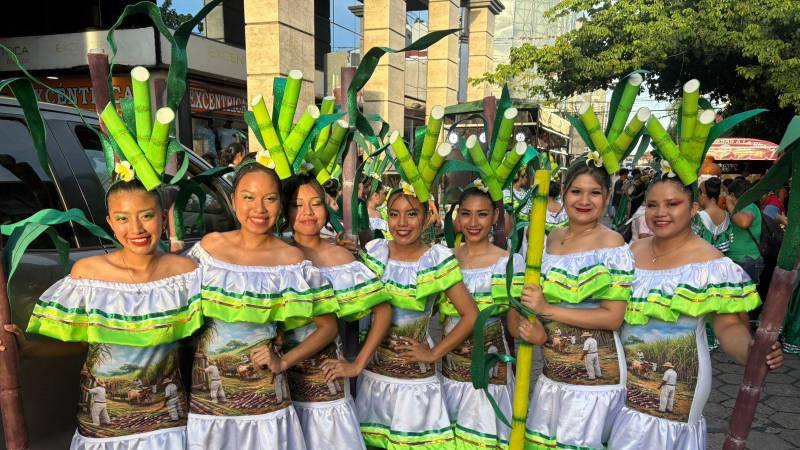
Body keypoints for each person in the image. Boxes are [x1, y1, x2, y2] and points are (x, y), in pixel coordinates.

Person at [9, 179, 201, 449]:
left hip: (167, 425)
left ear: (162, 216)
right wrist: (26, 347)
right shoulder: (88, 276)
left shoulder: (185, 273)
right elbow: (82, 346)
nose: (136, 229)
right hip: (105, 429)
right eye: (123, 218)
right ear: (110, 222)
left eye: (146, 216)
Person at [606, 171, 783, 450]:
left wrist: (753, 351)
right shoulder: (631, 251)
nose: (660, 212)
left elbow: (728, 328)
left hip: (679, 380)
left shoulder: (711, 264)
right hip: (622, 375)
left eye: (672, 204)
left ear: (693, 209)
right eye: (652, 205)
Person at [186, 156, 339, 450]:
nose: (259, 209)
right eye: (248, 197)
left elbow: (328, 327)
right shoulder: (209, 249)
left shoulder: (291, 260)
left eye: (270, 199)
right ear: (233, 200)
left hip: (267, 397)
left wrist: (283, 362)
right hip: (211, 403)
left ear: (280, 204)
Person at [519, 160, 633, 450]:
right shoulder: (552, 239)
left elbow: (612, 318)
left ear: (607, 197)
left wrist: (546, 309)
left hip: (592, 382)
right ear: (564, 194)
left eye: (594, 193)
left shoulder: (612, 243)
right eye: (576, 192)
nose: (584, 201)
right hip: (553, 370)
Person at [356, 184, 479, 449]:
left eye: (411, 214)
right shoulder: (375, 253)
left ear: (426, 219)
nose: (402, 223)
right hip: (374, 377)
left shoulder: (435, 260)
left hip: (414, 383)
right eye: (394, 214)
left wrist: (434, 353)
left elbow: (470, 315)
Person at [282, 175, 393, 450]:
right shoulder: (275, 254)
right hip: (278, 387)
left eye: (316, 203)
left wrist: (357, 364)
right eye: (298, 204)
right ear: (285, 211)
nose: (308, 213)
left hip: (326, 388)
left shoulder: (341, 258)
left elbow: (383, 310)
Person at [442, 185, 546, 448]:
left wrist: (530, 329)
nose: (473, 223)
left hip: (490, 374)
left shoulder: (508, 263)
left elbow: (512, 322)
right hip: (450, 372)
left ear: (495, 217)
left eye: (482, 214)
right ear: (457, 218)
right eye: (466, 214)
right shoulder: (444, 260)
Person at [725, 178, 764, 283]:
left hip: (747, 260)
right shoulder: (738, 208)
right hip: (738, 260)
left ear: (732, 195)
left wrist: (729, 204)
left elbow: (744, 223)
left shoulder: (750, 206)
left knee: (746, 297)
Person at [693, 177, 733, 253]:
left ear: (703, 195)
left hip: (703, 260)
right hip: (722, 261)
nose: (698, 198)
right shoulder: (727, 215)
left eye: (699, 194)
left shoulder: (699, 216)